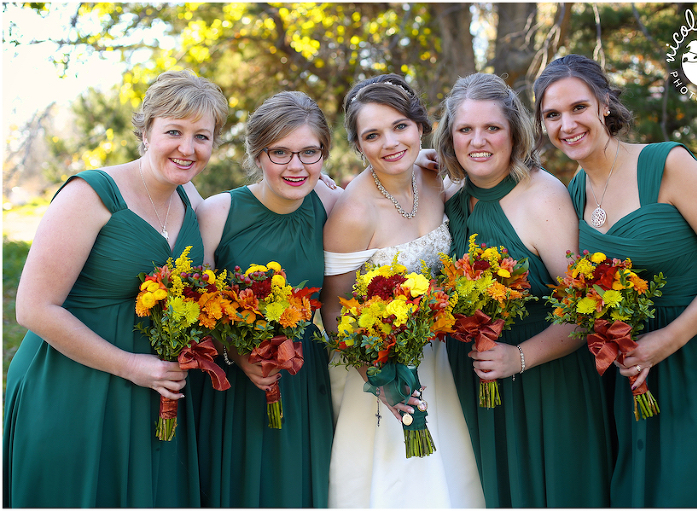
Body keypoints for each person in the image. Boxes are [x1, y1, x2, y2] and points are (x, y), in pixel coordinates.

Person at [533, 53, 697, 507]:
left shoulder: (667, 164)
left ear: (604, 103)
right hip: (634, 366)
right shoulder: (569, 195)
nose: (567, 124)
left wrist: (669, 338)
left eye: (578, 107)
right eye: (552, 115)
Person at [3, 69, 228, 507]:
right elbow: (32, 308)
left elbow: (242, 218)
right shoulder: (90, 193)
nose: (188, 148)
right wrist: (130, 365)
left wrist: (320, 190)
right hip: (73, 385)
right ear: (145, 132)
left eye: (202, 136)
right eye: (173, 132)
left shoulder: (188, 197)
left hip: (151, 391)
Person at [433, 72, 613, 507]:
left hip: (545, 383)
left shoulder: (542, 197)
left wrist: (519, 357)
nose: (479, 140)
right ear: (450, 138)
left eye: (492, 128)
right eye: (465, 129)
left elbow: (585, 309)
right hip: (471, 378)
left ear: (514, 133)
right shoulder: (448, 195)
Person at [320, 74, 486, 508]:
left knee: (449, 474)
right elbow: (334, 312)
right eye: (372, 135)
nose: (390, 143)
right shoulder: (352, 214)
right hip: (379, 366)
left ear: (419, 126)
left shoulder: (435, 178)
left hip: (439, 357)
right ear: (358, 146)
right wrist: (382, 382)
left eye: (400, 127)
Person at [194, 90, 342, 507]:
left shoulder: (333, 206)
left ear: (323, 155)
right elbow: (197, 307)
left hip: (302, 376)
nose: (296, 166)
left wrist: (425, 159)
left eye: (309, 152)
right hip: (234, 380)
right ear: (258, 154)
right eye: (280, 152)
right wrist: (236, 355)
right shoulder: (219, 211)